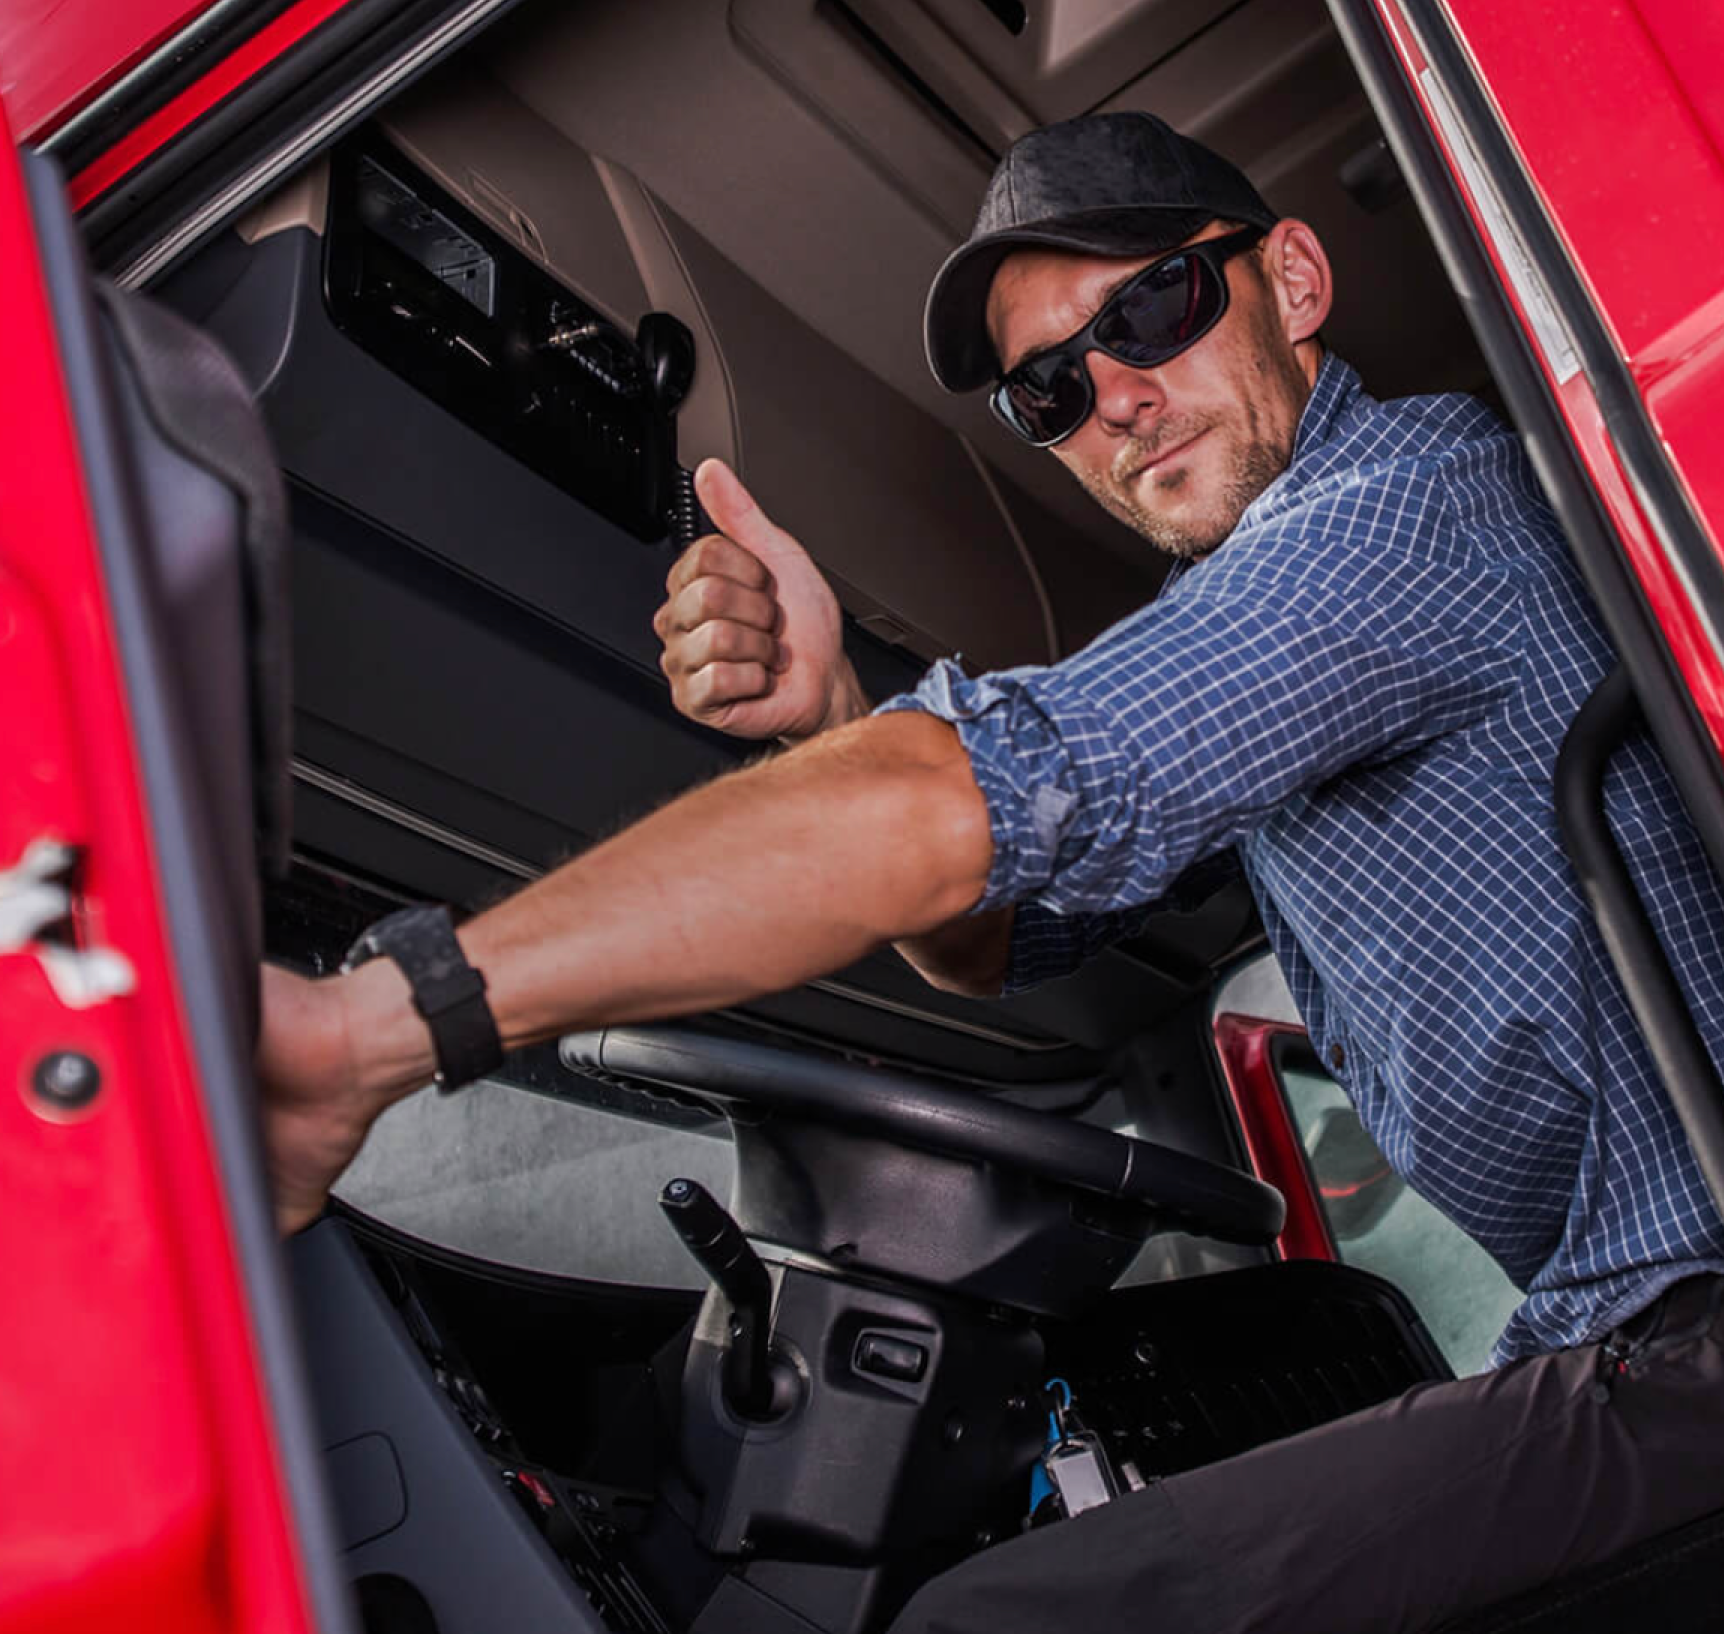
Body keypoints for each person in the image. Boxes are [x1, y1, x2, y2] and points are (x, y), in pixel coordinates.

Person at [261, 113, 1724, 1631]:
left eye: (1152, 310)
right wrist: (838, 719)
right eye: (1052, 388)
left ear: (1291, 280)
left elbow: (953, 809)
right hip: (1619, 1331)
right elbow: (984, 942)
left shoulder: (1401, 506)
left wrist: (374, 1026)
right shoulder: (1269, 631)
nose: (1117, 399)